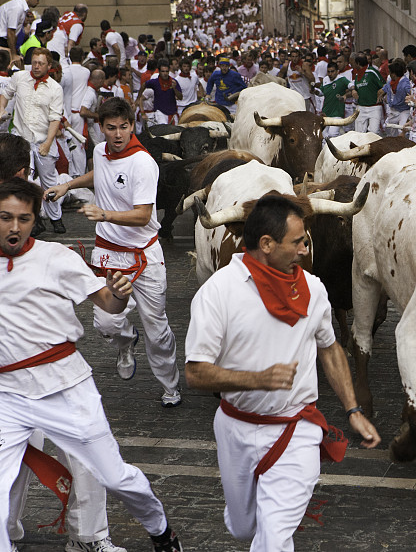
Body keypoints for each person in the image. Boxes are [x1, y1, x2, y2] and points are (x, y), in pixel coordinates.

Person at [184, 194, 380, 551]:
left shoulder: (315, 289)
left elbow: (330, 348)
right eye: (298, 242)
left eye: (305, 240)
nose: (305, 250)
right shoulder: (219, 291)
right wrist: (255, 379)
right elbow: (196, 374)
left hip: (297, 430)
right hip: (236, 428)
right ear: (266, 244)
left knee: (273, 540)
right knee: (246, 530)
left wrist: (352, 409)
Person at [0, 177, 183, 552]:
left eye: (23, 218)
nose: (14, 227)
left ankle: (160, 528)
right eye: (4, 217)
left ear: (35, 220)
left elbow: (107, 303)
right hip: (8, 396)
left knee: (115, 477)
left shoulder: (56, 258)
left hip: (67, 387)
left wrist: (118, 294)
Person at [44, 98, 182, 408]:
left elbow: (144, 216)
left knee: (156, 328)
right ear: (101, 129)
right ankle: (125, 341)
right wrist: (68, 185)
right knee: (105, 324)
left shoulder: (143, 163)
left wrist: (104, 215)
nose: (118, 134)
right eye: (111, 128)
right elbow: (100, 176)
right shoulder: (99, 151)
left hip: (144, 257)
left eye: (124, 127)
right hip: (110, 254)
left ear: (132, 126)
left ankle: (170, 386)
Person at [0, 47, 65, 234]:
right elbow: (6, 94)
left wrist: (48, 143)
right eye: (34, 62)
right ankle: (33, 218)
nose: (36, 67)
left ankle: (56, 217)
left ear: (49, 65)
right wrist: (2, 108)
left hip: (44, 139)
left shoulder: (55, 88)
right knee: (24, 179)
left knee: (49, 181)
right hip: (22, 140)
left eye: (41, 63)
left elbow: (55, 118)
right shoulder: (20, 78)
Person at [0, 0, 42, 68]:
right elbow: (10, 32)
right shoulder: (17, 7)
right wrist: (13, 54)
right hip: (2, 40)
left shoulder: (17, 6)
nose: (38, 2)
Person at [349, 53, 384, 134]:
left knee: (373, 132)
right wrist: (353, 90)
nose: (351, 64)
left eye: (353, 63)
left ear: (357, 63)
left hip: (374, 107)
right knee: (359, 133)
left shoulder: (372, 72)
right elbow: (356, 87)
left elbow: (384, 84)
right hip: (361, 107)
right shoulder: (357, 75)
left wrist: (382, 92)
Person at [140, 59, 182, 125]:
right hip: (160, 113)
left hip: (173, 114)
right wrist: (138, 98)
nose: (165, 73)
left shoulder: (174, 82)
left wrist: (174, 89)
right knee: (163, 132)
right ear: (159, 71)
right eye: (163, 71)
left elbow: (180, 97)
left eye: (166, 71)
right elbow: (143, 85)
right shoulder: (154, 82)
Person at [378, 59, 411, 137]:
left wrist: (410, 98)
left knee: (402, 130)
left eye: (390, 72)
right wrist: (381, 95)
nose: (389, 74)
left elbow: (411, 93)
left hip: (404, 111)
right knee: (388, 129)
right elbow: (382, 91)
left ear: (394, 74)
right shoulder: (390, 82)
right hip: (393, 111)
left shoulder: (405, 83)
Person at [317, 60, 349, 138]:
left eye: (332, 71)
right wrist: (314, 91)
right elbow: (321, 93)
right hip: (326, 112)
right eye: (328, 72)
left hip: (337, 113)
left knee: (332, 134)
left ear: (337, 71)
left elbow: (351, 86)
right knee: (324, 135)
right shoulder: (325, 80)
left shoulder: (342, 79)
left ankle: (342, 142)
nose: (330, 74)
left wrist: (347, 94)